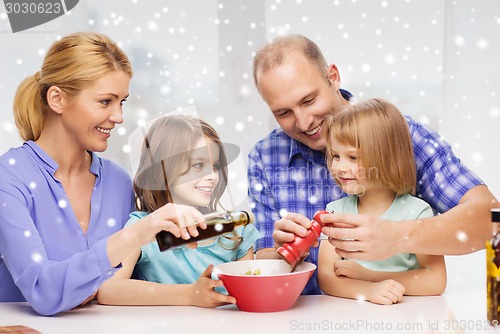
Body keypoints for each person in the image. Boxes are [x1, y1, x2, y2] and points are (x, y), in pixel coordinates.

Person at [248, 33, 498, 295]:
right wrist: (283, 254)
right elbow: (266, 271)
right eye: (283, 113)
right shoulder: (265, 157)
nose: (303, 122)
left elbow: (490, 220)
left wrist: (396, 236)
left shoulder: (399, 135)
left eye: (309, 100)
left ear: (333, 77)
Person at [0, 32, 205, 316]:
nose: (119, 116)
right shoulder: (9, 178)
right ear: (57, 99)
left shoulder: (118, 182)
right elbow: (43, 291)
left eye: (122, 102)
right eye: (105, 101)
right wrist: (136, 234)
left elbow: (131, 278)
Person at [97, 114, 260, 308]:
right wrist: (190, 295)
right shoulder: (144, 230)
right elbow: (108, 290)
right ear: (163, 170)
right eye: (198, 165)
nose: (212, 176)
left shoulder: (236, 231)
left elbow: (252, 294)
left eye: (215, 166)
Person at [318, 98, 446, 305]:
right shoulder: (335, 213)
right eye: (335, 156)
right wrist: (367, 291)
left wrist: (370, 276)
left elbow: (435, 281)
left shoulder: (417, 212)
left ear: (387, 158)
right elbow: (326, 278)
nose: (340, 167)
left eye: (352, 157)